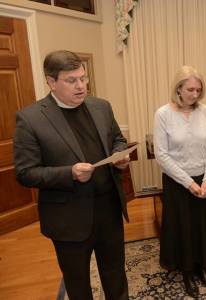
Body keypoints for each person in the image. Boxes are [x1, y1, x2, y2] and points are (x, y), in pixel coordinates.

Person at [13, 50, 129, 300]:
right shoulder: (31, 119)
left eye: (83, 78)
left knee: (115, 273)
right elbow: (25, 173)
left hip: (109, 207)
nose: (81, 86)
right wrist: (70, 173)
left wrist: (120, 155)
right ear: (51, 82)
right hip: (68, 216)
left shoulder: (101, 106)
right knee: (78, 284)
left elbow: (118, 139)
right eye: (71, 80)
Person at [153, 65, 206, 298]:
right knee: (183, 228)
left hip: (205, 180)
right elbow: (162, 155)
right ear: (178, 88)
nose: (195, 94)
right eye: (190, 89)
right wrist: (189, 183)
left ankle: (202, 266)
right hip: (177, 183)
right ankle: (187, 273)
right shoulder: (163, 114)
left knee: (202, 225)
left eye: (198, 90)